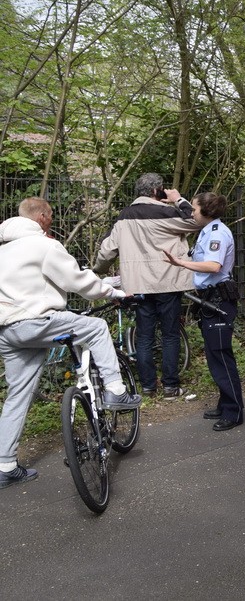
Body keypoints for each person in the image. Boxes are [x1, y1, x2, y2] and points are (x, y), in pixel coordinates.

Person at [0, 198, 141, 488]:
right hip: (35, 323)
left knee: (18, 395)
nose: (51, 220)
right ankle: (115, 390)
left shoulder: (4, 251)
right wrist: (112, 292)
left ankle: (5, 464)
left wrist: (107, 282)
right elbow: (77, 281)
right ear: (41, 217)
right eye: (50, 215)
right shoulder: (44, 245)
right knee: (97, 327)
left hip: (7, 331)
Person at [95, 173, 197, 399]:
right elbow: (194, 221)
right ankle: (171, 387)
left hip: (137, 285)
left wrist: (99, 270)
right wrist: (178, 199)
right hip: (168, 283)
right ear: (155, 191)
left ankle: (148, 387)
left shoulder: (123, 217)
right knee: (170, 335)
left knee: (144, 337)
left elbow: (107, 250)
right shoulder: (168, 212)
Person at [162, 193, 243, 431]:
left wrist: (181, 263)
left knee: (221, 357)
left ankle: (233, 411)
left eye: (195, 208)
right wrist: (179, 199)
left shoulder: (216, 234)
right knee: (215, 356)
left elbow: (213, 265)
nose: (192, 212)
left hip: (219, 300)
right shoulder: (208, 229)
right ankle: (225, 402)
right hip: (210, 299)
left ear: (206, 211)